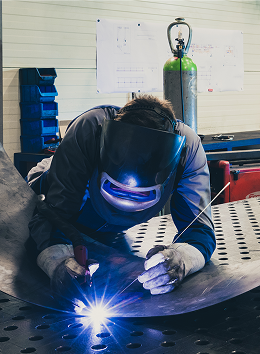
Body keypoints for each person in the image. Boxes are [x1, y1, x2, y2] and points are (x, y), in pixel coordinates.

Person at [26, 94, 216, 297]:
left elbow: (200, 230)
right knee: (39, 195)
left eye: (138, 196)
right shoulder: (91, 129)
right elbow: (52, 217)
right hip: (55, 184)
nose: (127, 200)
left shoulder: (188, 149)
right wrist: (56, 266)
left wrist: (180, 261)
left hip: (107, 228)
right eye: (118, 189)